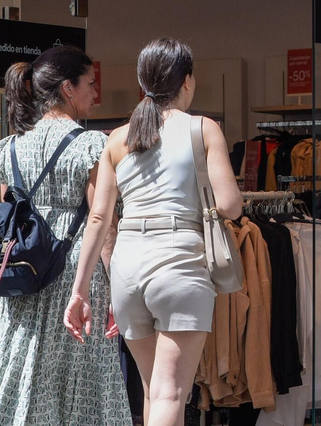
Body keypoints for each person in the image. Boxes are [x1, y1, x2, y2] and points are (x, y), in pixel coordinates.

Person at [64, 38, 242, 426]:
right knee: (170, 393)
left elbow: (99, 219)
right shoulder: (203, 129)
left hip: (128, 268)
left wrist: (78, 290)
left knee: (153, 391)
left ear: (142, 85)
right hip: (180, 263)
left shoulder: (117, 139)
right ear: (188, 82)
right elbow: (230, 205)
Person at [0, 45, 130, 426]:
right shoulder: (91, 145)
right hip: (74, 268)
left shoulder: (11, 147)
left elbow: (8, 216)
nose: (94, 92)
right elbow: (101, 223)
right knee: (80, 369)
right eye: (89, 84)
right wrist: (116, 285)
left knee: (21, 358)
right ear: (68, 89)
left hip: (28, 267)